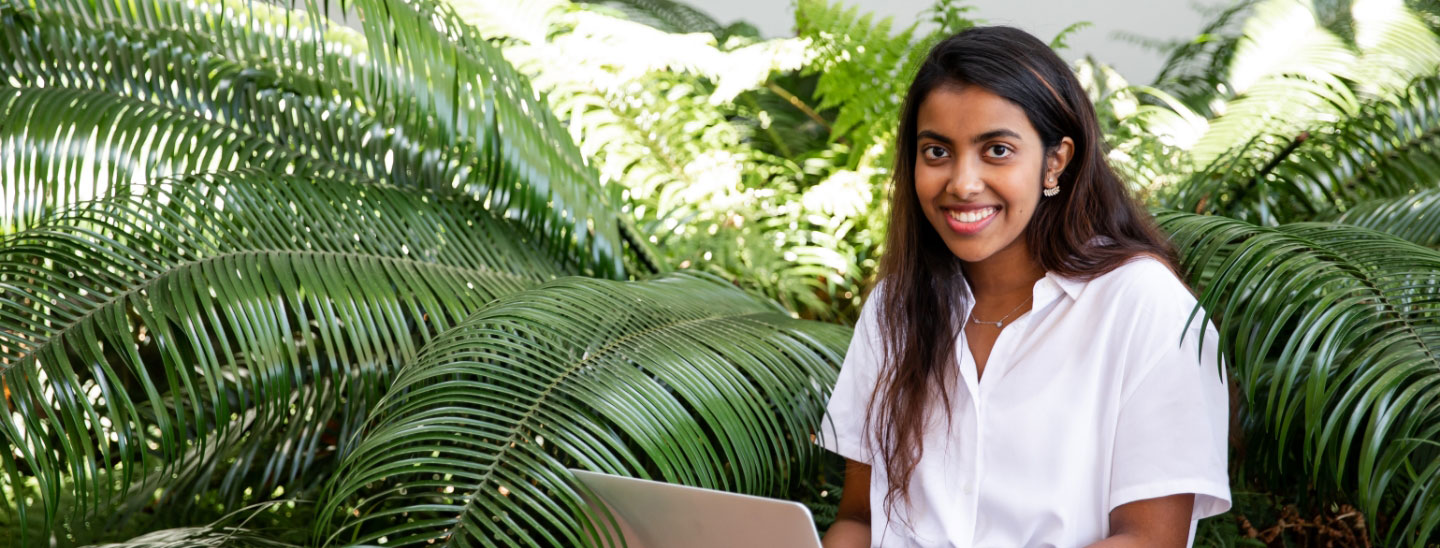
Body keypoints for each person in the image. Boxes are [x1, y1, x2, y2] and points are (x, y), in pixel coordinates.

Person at [815, 26, 1231, 548]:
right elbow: (860, 519)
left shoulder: (1144, 306)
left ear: (1055, 161)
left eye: (997, 150)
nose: (962, 183)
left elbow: (1150, 540)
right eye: (937, 152)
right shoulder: (893, 309)